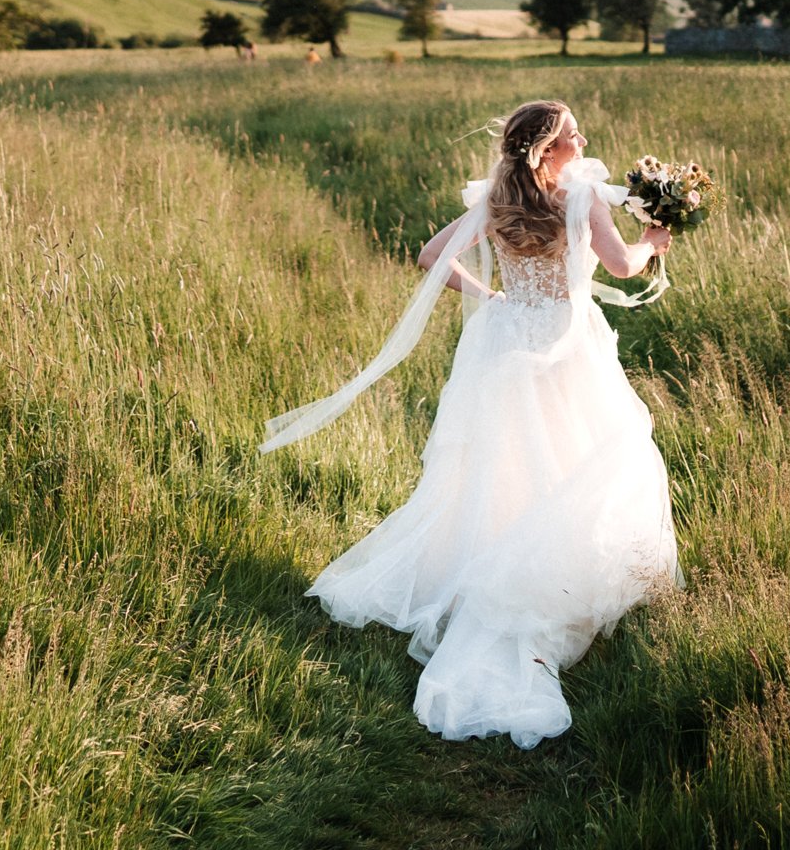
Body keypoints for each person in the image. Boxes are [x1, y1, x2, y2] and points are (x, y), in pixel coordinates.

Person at [260, 99, 680, 747]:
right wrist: (653, 244)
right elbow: (622, 267)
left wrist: (491, 298)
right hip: (567, 343)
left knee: (508, 466)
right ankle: (546, 582)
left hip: (509, 339)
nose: (585, 138)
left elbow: (432, 255)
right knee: (590, 454)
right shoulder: (581, 199)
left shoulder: (498, 199)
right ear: (551, 150)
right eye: (574, 134)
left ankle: (496, 562)